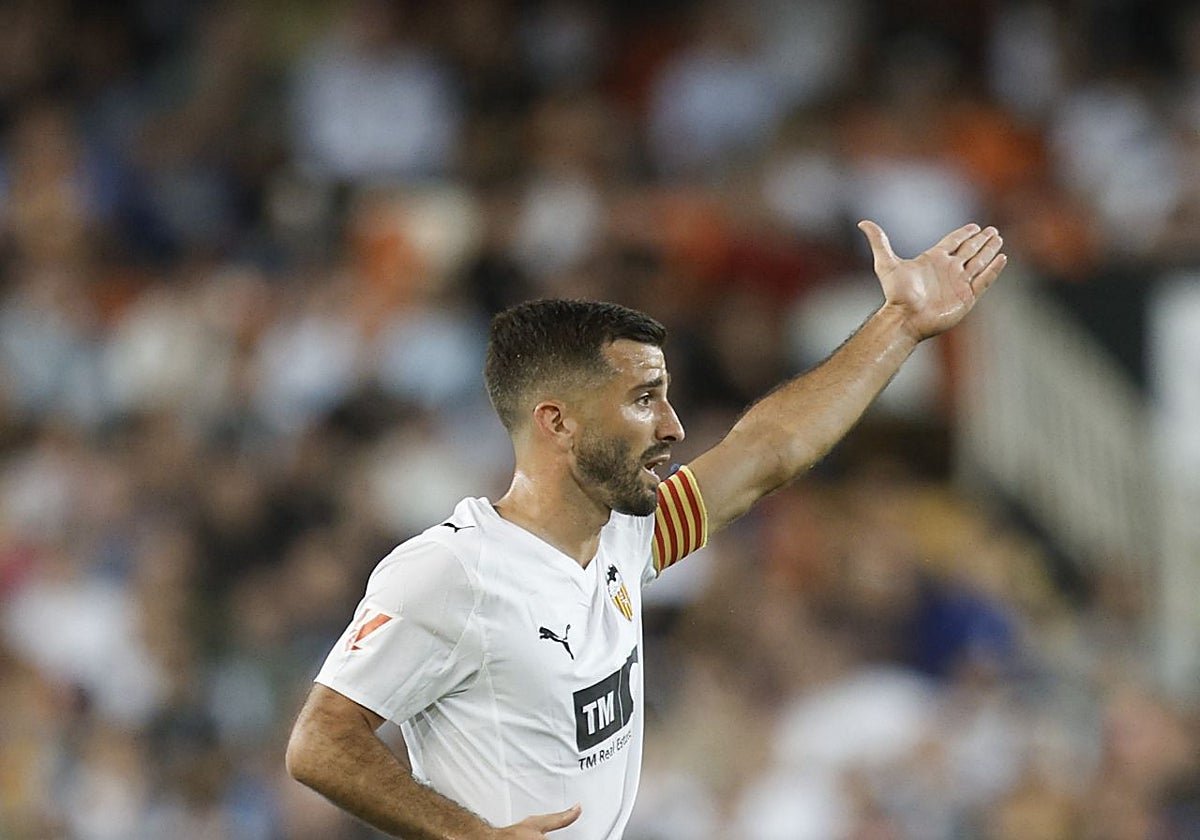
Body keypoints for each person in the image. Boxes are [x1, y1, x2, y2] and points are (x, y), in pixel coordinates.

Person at [285, 220, 1007, 839]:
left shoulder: (626, 536)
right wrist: (468, 834)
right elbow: (319, 741)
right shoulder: (451, 573)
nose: (672, 426)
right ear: (557, 423)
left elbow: (765, 452)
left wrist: (900, 324)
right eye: (643, 401)